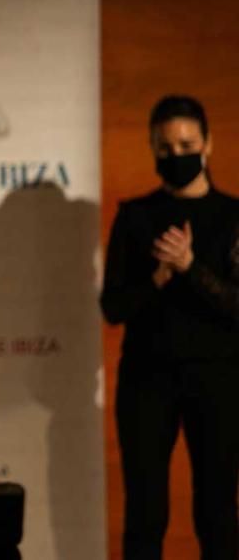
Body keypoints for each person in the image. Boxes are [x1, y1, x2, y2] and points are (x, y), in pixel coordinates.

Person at [100, 95, 239, 560]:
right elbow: (113, 307)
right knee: (145, 513)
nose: (176, 155)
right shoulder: (135, 217)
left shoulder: (232, 217)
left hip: (219, 379)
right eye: (165, 147)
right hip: (147, 381)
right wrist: (158, 277)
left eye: (186, 144)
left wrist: (190, 265)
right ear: (152, 148)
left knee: (217, 512)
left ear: (208, 144)